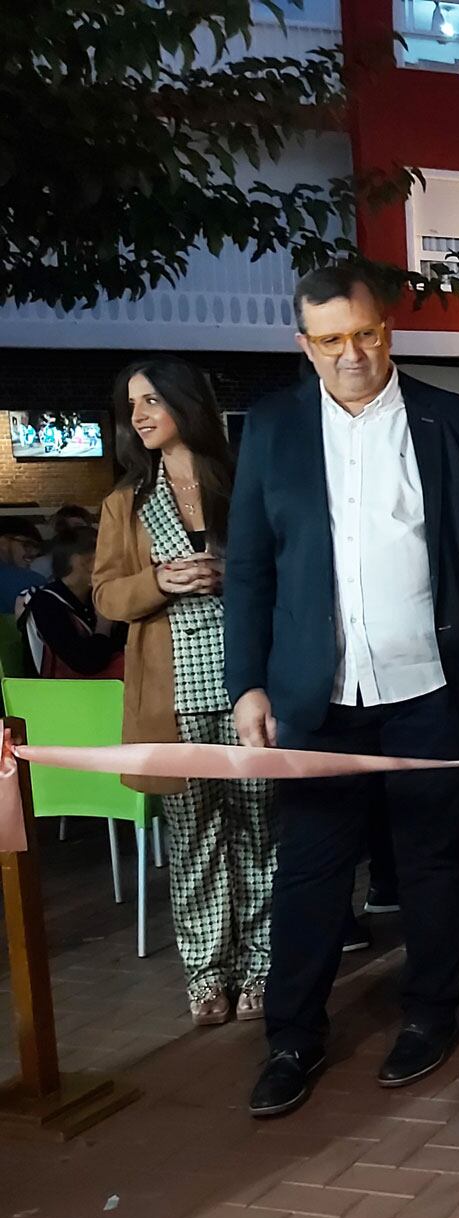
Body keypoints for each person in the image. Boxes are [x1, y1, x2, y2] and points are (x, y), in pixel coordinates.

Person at [227, 262, 459, 1118]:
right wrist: (247, 681)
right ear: (305, 346)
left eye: (366, 333)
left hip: (433, 688)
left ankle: (430, 1014)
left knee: (434, 863)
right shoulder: (273, 425)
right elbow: (251, 567)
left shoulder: (448, 419)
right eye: (331, 341)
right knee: (312, 871)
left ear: (387, 330)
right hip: (316, 697)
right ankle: (293, 1035)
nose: (353, 354)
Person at [95, 357, 276, 1026]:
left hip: (247, 685)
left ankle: (263, 969)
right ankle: (207, 977)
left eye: (150, 399)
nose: (138, 413)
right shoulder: (125, 502)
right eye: (130, 403)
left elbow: (278, 566)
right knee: (194, 838)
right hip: (171, 696)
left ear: (184, 402)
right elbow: (106, 597)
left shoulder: (239, 482)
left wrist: (231, 574)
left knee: (260, 830)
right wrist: (158, 584)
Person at [21, 528, 126, 678]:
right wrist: (104, 626)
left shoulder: (95, 598)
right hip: (58, 694)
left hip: (101, 689)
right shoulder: (46, 602)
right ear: (85, 562)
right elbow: (86, 663)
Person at [0, 517, 45, 611]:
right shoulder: (31, 582)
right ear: (3, 542)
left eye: (37, 548)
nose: (33, 553)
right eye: (26, 544)